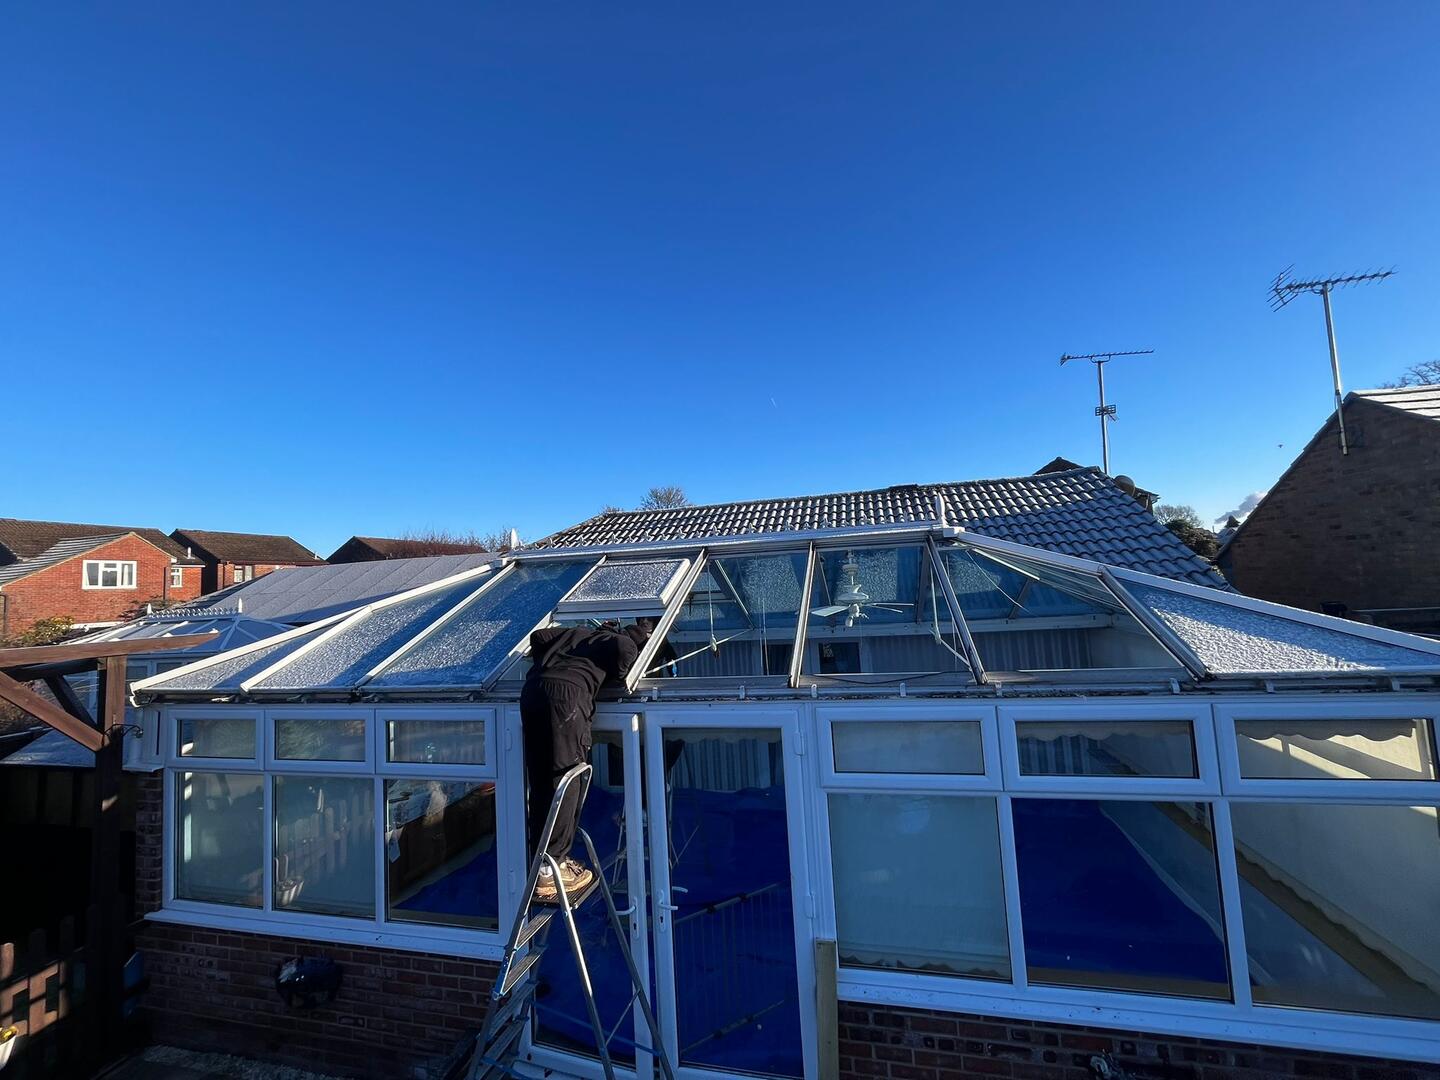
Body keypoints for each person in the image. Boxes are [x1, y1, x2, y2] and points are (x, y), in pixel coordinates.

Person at [521, 616, 654, 902]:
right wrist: (622, 665)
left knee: (542, 780)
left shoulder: (573, 633)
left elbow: (538, 637)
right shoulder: (617, 641)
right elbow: (624, 650)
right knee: (567, 778)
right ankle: (551, 868)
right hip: (566, 698)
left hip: (532, 692)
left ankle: (542, 860)